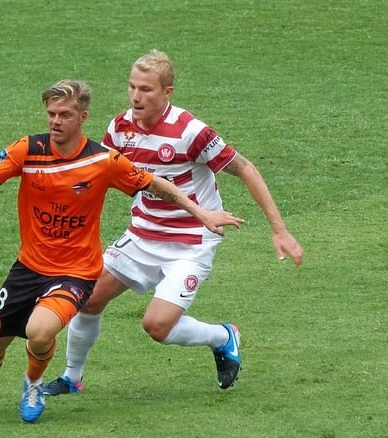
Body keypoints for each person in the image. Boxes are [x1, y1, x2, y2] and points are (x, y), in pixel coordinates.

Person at [0, 79, 243, 423]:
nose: (55, 121)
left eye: (64, 114)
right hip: (27, 269)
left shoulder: (103, 160)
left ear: (82, 117)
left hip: (75, 273)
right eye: (51, 113)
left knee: (40, 331)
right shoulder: (28, 149)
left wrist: (201, 213)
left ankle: (33, 384)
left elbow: (154, 184)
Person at [43, 50, 304, 397]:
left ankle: (224, 336)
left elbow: (245, 168)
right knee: (87, 299)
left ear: (167, 92)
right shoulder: (120, 128)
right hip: (142, 235)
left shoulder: (191, 132)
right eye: (132, 87)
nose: (136, 97)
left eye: (146, 90)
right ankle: (72, 377)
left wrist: (280, 230)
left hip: (192, 241)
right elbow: (100, 175)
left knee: (157, 325)